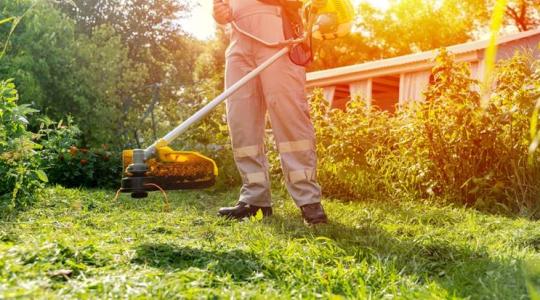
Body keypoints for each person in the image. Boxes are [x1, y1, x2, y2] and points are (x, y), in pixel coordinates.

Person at [213, 0, 328, 224]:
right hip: (238, 37)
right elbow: (220, 6)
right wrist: (218, 13)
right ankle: (254, 199)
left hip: (277, 33)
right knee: (241, 121)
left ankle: (308, 200)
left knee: (289, 117)